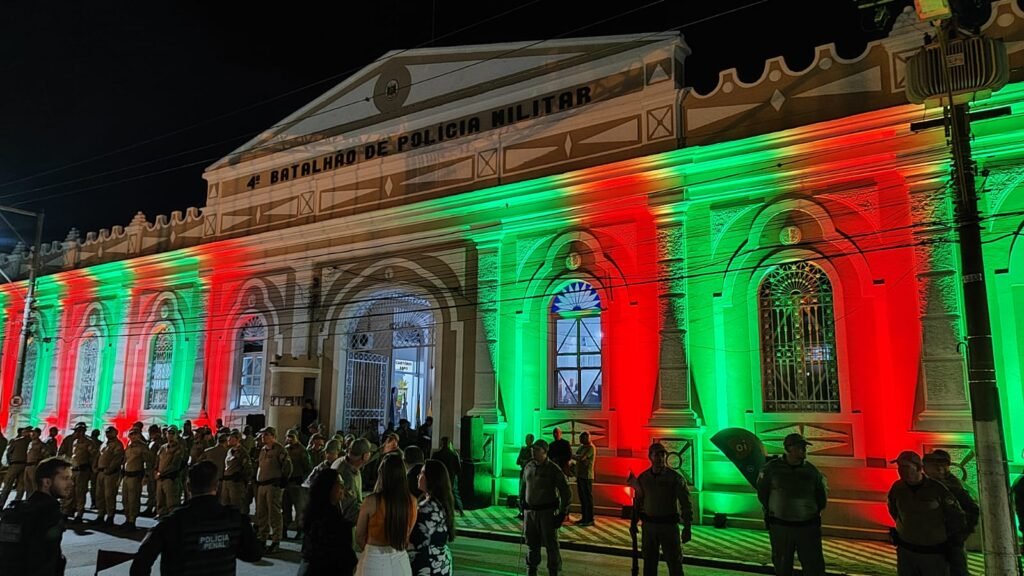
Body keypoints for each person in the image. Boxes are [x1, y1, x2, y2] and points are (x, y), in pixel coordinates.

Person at [129, 461, 262, 576]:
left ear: (188, 487)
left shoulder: (171, 523)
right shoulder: (235, 520)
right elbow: (253, 554)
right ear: (217, 486)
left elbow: (140, 565)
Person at [756, 433, 827, 576]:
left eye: (804, 447)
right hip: (781, 526)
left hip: (807, 526)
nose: (804, 450)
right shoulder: (772, 469)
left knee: (813, 565)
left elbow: (821, 496)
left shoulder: (811, 471)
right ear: (789, 449)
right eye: (800, 447)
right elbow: (762, 492)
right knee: (782, 563)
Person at [887, 450, 965, 576]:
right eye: (899, 467)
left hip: (933, 553)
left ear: (918, 468)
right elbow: (893, 510)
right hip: (906, 551)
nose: (901, 470)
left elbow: (955, 516)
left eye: (906, 467)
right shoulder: (897, 488)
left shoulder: (937, 489)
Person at [0, 456, 72, 576]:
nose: (71, 483)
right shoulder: (49, 513)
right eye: (65, 478)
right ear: (47, 482)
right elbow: (45, 562)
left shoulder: (17, 510)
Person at [631, 442, 693, 576]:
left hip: (668, 527)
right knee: (649, 564)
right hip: (649, 527)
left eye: (662, 455)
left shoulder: (675, 478)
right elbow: (638, 502)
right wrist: (634, 522)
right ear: (650, 457)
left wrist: (687, 527)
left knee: (674, 564)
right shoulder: (643, 478)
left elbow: (686, 504)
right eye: (656, 455)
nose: (660, 458)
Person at [355, 453, 417, 576]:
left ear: (381, 474)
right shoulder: (412, 501)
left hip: (374, 559)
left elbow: (359, 536)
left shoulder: (371, 501)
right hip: (400, 560)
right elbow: (407, 534)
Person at [520, 439, 571, 576]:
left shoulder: (553, 469)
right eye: (533, 449)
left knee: (551, 545)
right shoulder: (528, 467)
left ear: (545, 452)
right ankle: (531, 570)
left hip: (547, 513)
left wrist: (562, 512)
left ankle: (553, 571)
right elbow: (523, 486)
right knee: (532, 544)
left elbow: (566, 491)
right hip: (530, 513)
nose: (533, 452)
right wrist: (521, 503)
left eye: (537, 449)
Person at [923, 450, 979, 576]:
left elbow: (972, 510)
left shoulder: (952, 487)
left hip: (949, 540)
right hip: (936, 539)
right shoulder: (931, 484)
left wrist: (960, 535)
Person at [298, 468, 358, 576]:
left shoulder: (316, 510)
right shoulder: (327, 518)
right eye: (340, 483)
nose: (343, 487)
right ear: (328, 487)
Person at [409, 459, 455, 576]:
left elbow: (414, 537)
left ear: (431, 478)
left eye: (422, 473)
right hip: (441, 561)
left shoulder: (427, 508)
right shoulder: (441, 503)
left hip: (428, 564)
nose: (418, 476)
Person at [255, 426, 292, 553]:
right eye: (262, 435)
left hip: (273, 485)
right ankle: (262, 537)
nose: (262, 437)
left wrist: (283, 480)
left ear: (273, 436)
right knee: (262, 513)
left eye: (266, 435)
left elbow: (287, 466)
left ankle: (276, 540)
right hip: (262, 484)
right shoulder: (263, 450)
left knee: (274, 513)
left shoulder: (279, 450)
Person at [332, 437, 372, 523]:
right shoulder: (347, 475)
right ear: (365, 456)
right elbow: (350, 512)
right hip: (340, 524)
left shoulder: (343, 461)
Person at [122, 427, 155, 530]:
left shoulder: (143, 447)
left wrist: (146, 476)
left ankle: (132, 521)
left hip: (135, 476)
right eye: (131, 434)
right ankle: (127, 519)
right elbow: (125, 460)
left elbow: (148, 462)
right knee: (125, 499)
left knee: (133, 499)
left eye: (135, 434)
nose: (133, 436)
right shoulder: (128, 445)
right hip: (126, 475)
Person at [283, 429, 312, 540]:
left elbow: (308, 467)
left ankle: (300, 530)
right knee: (285, 508)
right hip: (287, 483)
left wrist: (303, 480)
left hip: (297, 483)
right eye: (288, 437)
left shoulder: (302, 451)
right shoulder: (285, 449)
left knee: (299, 509)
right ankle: (284, 528)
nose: (289, 439)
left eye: (292, 437)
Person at [95, 425, 125, 525]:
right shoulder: (104, 443)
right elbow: (99, 455)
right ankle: (100, 515)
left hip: (111, 474)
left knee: (109, 495)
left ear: (115, 433)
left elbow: (117, 459)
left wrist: (110, 469)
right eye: (107, 432)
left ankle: (110, 516)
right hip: (101, 472)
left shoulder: (117, 445)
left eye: (110, 432)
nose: (108, 434)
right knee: (100, 495)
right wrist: (95, 466)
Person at [155, 425, 186, 518]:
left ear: (176, 435)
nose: (170, 435)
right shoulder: (163, 447)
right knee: (160, 500)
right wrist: (155, 471)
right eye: (169, 433)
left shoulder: (179, 448)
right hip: (160, 478)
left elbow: (175, 465)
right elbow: (157, 461)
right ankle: (161, 515)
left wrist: (161, 473)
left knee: (172, 503)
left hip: (171, 479)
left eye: (173, 433)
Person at [222, 430, 253, 513]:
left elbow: (248, 468)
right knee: (225, 504)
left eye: (231, 437)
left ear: (238, 439)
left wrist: (241, 476)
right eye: (229, 437)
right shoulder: (229, 451)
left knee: (236, 505)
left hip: (235, 483)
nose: (229, 439)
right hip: (227, 481)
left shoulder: (242, 452)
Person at [432, 437, 464, 515]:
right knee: (454, 493)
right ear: (449, 443)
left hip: (439, 477)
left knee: (439, 494)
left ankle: (441, 510)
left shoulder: (436, 454)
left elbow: (432, 467)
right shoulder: (453, 454)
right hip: (451, 477)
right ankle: (460, 510)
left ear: (441, 443)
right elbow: (458, 469)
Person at [0, 427, 29, 506]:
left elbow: (8, 453)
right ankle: (16, 504)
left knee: (8, 484)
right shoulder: (30, 442)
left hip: (15, 464)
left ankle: (1, 504)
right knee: (21, 486)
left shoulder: (16, 441)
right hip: (25, 465)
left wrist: (10, 462)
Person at [573, 431, 596, 526]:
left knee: (587, 498)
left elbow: (581, 458)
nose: (580, 440)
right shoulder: (581, 447)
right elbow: (578, 457)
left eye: (582, 438)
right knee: (582, 498)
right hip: (580, 475)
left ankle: (590, 519)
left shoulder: (591, 448)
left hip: (587, 476)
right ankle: (584, 518)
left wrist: (574, 456)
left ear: (587, 438)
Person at [516, 434, 535, 520]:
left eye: (528, 439)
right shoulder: (523, 449)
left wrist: (526, 461)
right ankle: (521, 511)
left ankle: (528, 512)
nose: (526, 441)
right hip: (523, 472)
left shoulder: (534, 450)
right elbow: (518, 461)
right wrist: (523, 461)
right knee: (522, 492)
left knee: (529, 493)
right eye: (526, 439)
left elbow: (533, 460)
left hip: (530, 474)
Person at [22, 428, 45, 496]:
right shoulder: (30, 443)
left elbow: (45, 455)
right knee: (27, 486)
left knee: (34, 485)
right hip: (27, 466)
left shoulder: (41, 445)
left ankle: (35, 500)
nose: (32, 434)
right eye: (32, 432)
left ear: (39, 434)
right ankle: (28, 500)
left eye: (35, 433)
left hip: (34, 466)